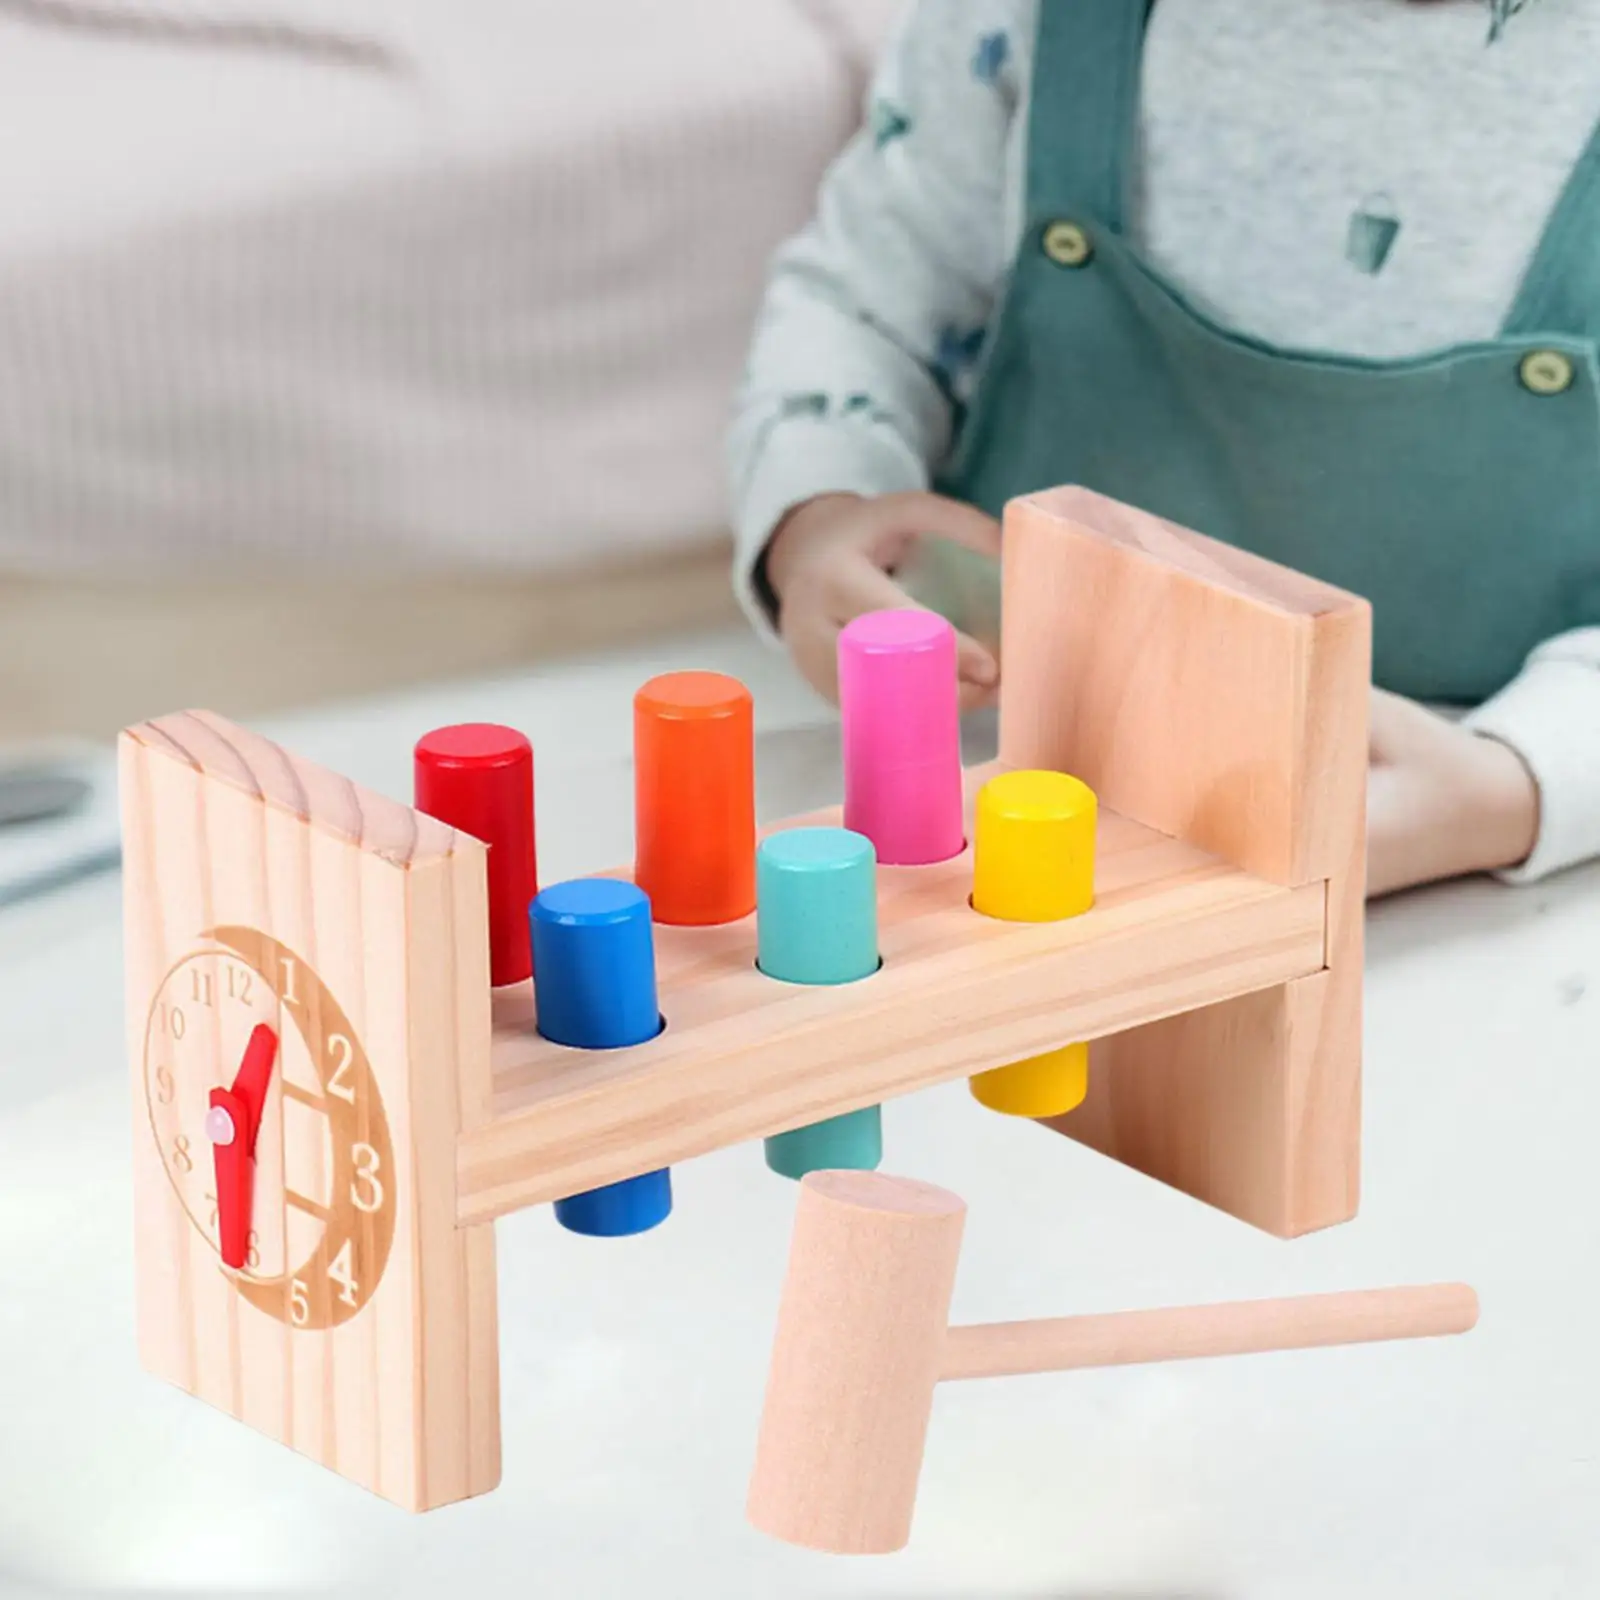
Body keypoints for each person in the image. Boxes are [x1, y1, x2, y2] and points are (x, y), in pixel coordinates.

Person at [727, 0, 1600, 897]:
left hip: (1505, 884)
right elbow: (862, 298)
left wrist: (1518, 782)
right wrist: (818, 516)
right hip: (1019, 793)